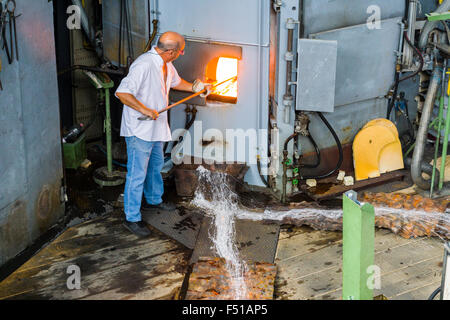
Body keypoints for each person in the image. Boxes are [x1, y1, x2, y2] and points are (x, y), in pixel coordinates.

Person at [115, 31, 210, 237]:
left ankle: (154, 200)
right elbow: (122, 92)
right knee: (137, 173)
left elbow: (176, 83)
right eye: (181, 51)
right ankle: (131, 217)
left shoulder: (166, 64)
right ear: (170, 51)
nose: (182, 54)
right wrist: (145, 109)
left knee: (155, 166)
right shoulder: (144, 65)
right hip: (140, 129)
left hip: (156, 128)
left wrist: (197, 87)